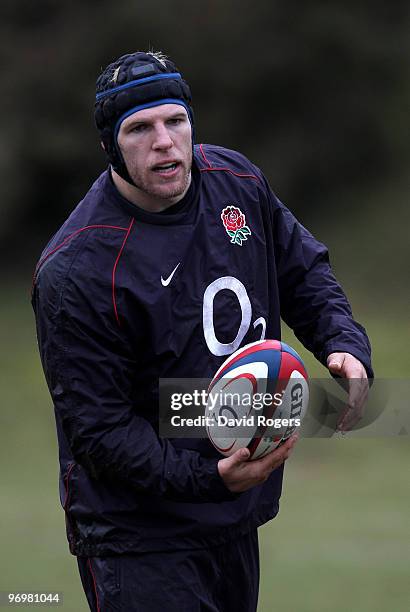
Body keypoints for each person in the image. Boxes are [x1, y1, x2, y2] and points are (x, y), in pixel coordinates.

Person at [31, 50, 372, 611]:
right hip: (137, 537)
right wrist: (213, 476)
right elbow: (101, 431)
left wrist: (345, 344)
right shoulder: (78, 270)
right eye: (139, 128)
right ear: (109, 146)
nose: (164, 141)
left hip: (231, 517)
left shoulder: (236, 182)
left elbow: (302, 269)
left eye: (176, 120)